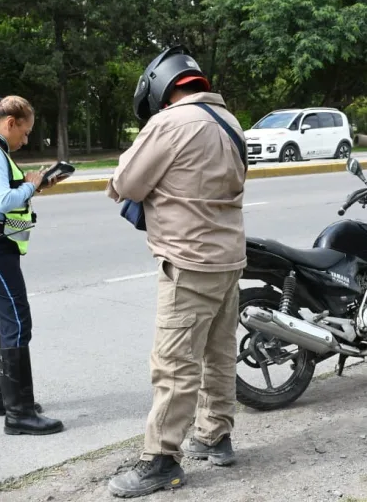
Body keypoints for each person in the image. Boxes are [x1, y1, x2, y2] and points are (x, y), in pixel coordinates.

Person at [105, 46, 248, 498]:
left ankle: (161, 460)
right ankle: (215, 436)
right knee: (219, 356)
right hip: (228, 261)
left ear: (162, 89)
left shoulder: (170, 122)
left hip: (188, 263)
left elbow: (124, 183)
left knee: (174, 364)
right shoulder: (229, 122)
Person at [0, 95, 64, 436]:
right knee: (18, 323)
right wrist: (33, 184)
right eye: (26, 130)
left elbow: (2, 194)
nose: (27, 138)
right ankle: (19, 414)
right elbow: (3, 202)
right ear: (11, 123)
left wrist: (34, 184)